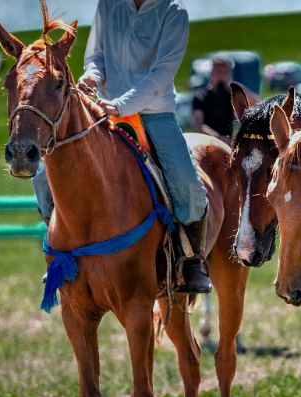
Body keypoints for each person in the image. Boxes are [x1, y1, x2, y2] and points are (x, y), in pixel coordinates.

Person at [33, 0, 212, 294]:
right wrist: (91, 75)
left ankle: (191, 262)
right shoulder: (109, 4)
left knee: (187, 186)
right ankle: (59, 250)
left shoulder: (173, 12)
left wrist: (120, 105)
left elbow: (161, 75)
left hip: (153, 112)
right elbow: (95, 56)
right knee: (42, 176)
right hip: (100, 109)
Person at [192, 57, 235, 146]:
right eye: (218, 72)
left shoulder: (232, 96)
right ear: (211, 73)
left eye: (224, 73)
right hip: (207, 142)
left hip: (228, 142)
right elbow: (199, 126)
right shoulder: (200, 96)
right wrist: (220, 138)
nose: (221, 75)